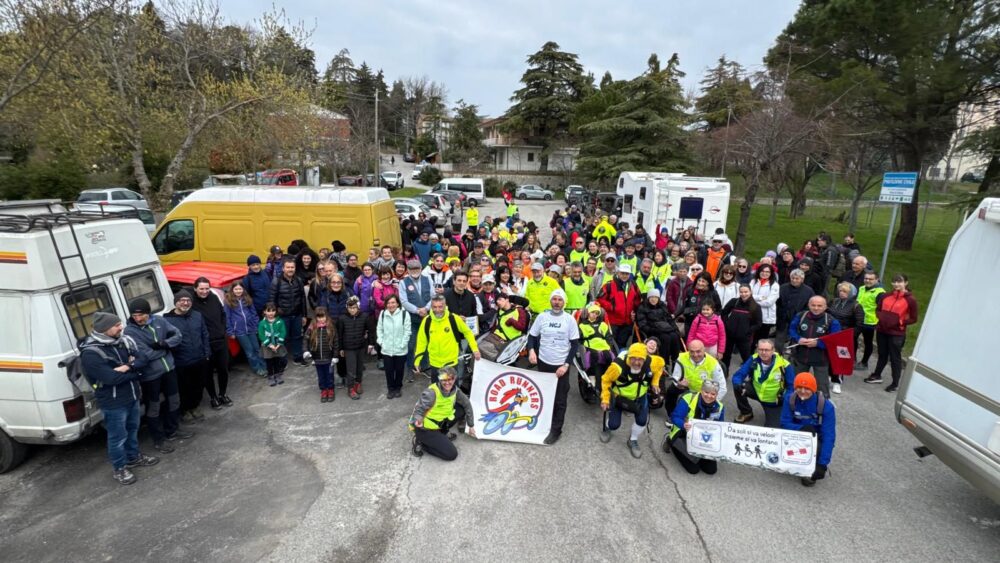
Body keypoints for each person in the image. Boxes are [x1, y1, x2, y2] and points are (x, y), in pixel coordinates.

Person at [79, 311, 158, 485]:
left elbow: (144, 358)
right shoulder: (91, 354)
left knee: (132, 430)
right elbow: (111, 378)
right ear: (104, 328)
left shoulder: (123, 341)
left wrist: (127, 367)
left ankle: (133, 457)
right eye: (116, 325)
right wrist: (136, 371)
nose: (121, 327)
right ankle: (119, 468)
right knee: (117, 437)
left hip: (132, 396)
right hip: (113, 403)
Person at [124, 298, 191, 455]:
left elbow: (177, 335)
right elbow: (145, 355)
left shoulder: (159, 321)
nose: (138, 318)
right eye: (134, 315)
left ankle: (172, 430)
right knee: (153, 407)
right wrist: (166, 349)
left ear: (148, 313)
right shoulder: (130, 332)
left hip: (169, 369)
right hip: (150, 376)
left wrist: (164, 344)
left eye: (141, 315)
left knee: (174, 400)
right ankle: (158, 439)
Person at [527, 289, 581, 445]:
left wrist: (566, 365)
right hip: (543, 362)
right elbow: (532, 336)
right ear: (550, 301)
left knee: (559, 400)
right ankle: (544, 423)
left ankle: (556, 430)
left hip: (561, 366)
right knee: (544, 395)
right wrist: (531, 351)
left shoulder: (569, 320)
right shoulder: (542, 317)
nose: (556, 302)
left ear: (564, 302)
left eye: (560, 300)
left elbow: (574, 345)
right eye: (554, 299)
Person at [599, 343, 665, 458]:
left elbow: (661, 366)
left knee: (642, 421)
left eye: (640, 359)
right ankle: (608, 428)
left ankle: (633, 440)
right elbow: (605, 380)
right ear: (628, 356)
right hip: (619, 397)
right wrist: (605, 399)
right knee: (614, 425)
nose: (636, 362)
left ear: (645, 358)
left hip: (640, 396)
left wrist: (655, 382)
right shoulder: (617, 367)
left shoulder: (652, 362)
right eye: (633, 358)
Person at [163, 290, 211, 424]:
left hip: (199, 359)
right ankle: (185, 410)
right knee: (184, 388)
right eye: (182, 300)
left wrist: (207, 353)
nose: (185, 303)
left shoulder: (197, 315)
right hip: (181, 362)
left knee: (199, 385)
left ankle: (195, 407)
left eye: (188, 300)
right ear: (176, 302)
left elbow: (204, 334)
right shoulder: (167, 320)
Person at [408, 367, 476, 461]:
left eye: (450, 379)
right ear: (439, 379)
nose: (447, 382)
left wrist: (471, 425)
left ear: (454, 379)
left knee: (461, 409)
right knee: (451, 455)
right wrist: (418, 420)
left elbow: (467, 404)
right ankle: (422, 443)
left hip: (440, 422)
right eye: (444, 379)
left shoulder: (455, 390)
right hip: (426, 428)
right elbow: (418, 410)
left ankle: (443, 432)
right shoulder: (431, 392)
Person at [865, 274, 919, 392]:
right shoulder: (886, 296)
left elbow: (914, 318)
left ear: (906, 283)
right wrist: (881, 318)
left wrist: (900, 322)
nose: (896, 284)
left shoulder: (910, 300)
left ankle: (895, 383)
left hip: (897, 334)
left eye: (899, 282)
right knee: (882, 354)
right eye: (894, 281)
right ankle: (877, 375)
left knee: (895, 358)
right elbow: (878, 309)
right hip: (882, 330)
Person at [781, 373, 836, 487]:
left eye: (807, 388)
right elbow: (784, 422)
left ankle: (809, 469)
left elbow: (829, 436)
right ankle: (790, 460)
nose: (802, 391)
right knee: (775, 436)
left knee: (819, 447)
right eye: (799, 387)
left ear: (814, 389)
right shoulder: (790, 399)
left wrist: (822, 464)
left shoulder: (826, 406)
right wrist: (801, 428)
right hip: (795, 433)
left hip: (815, 438)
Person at [414, 295, 481, 383]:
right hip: (434, 363)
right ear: (431, 307)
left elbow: (468, 333)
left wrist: (475, 349)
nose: (437, 310)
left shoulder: (454, 318)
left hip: (451, 364)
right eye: (434, 307)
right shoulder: (427, 321)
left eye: (440, 307)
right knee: (436, 388)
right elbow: (421, 342)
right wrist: (417, 360)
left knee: (451, 388)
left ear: (445, 306)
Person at [663, 381, 725, 475]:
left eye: (713, 394)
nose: (709, 396)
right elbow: (675, 417)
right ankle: (670, 441)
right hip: (683, 434)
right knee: (693, 469)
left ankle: (697, 455)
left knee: (711, 470)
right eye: (706, 392)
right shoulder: (688, 398)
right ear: (701, 390)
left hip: (704, 438)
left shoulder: (720, 407)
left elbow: (720, 426)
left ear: (717, 395)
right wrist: (683, 424)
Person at [731, 339, 796, 427]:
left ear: (773, 350)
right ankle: (746, 412)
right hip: (756, 391)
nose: (763, 353)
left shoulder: (785, 365)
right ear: (757, 349)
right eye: (761, 349)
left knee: (772, 429)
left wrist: (785, 400)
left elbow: (792, 387)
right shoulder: (753, 358)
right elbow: (738, 375)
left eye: (767, 350)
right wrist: (738, 384)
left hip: (774, 401)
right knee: (737, 386)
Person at [788, 296, 842, 396]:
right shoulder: (801, 316)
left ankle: (822, 404)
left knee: (822, 389)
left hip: (821, 359)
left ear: (825, 307)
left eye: (819, 306)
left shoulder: (832, 321)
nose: (816, 308)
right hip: (800, 357)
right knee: (796, 384)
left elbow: (836, 340)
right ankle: (794, 402)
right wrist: (798, 338)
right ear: (809, 305)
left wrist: (818, 343)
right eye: (813, 305)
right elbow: (792, 329)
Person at [191, 277, 231, 409]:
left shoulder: (214, 298)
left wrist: (223, 329)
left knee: (223, 369)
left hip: (220, 341)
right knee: (207, 373)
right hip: (205, 344)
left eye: (207, 288)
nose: (204, 291)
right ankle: (213, 397)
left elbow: (223, 314)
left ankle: (223, 394)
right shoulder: (192, 303)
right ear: (195, 288)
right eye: (201, 289)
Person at [663, 340, 727, 414]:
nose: (695, 355)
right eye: (692, 352)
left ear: (704, 350)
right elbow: (676, 375)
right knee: (671, 391)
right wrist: (679, 383)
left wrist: (711, 400)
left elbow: (722, 387)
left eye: (698, 351)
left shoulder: (713, 363)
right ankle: (672, 414)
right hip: (686, 387)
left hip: (703, 392)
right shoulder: (682, 357)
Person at [269, 258, 307, 366]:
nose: (290, 269)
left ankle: (298, 358)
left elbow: (302, 298)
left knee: (297, 337)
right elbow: (271, 300)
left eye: (292, 267)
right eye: (288, 267)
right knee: (282, 338)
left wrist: (304, 315)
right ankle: (282, 360)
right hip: (282, 317)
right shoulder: (276, 281)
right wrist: (274, 316)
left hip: (297, 315)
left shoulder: (298, 280)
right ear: (283, 268)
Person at [827, 282, 864, 394]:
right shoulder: (834, 301)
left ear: (851, 293)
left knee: (840, 360)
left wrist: (850, 336)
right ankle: (828, 376)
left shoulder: (856, 306)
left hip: (844, 337)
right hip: (830, 334)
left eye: (845, 291)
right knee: (828, 357)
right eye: (840, 291)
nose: (841, 293)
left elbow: (859, 324)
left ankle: (837, 381)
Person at [224, 281, 266, 377]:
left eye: (240, 289)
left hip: (251, 328)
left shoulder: (247, 299)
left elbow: (254, 313)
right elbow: (227, 317)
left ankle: (264, 365)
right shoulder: (228, 301)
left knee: (257, 348)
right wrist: (230, 331)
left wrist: (256, 325)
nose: (238, 291)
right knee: (249, 352)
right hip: (239, 331)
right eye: (236, 289)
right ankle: (257, 369)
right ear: (232, 290)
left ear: (243, 289)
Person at [596, 263, 642, 349]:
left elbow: (637, 300)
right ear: (618, 273)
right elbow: (599, 300)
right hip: (613, 322)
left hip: (627, 322)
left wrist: (634, 311)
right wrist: (612, 307)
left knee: (622, 344)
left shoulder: (633, 285)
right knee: (611, 344)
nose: (624, 276)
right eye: (622, 273)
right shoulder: (609, 285)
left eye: (627, 274)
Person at [337, 296, 373, 400]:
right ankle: (351, 388)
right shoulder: (342, 318)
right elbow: (340, 335)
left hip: (360, 346)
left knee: (359, 367)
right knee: (351, 369)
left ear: (358, 307)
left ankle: (358, 383)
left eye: (354, 308)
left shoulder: (364, 317)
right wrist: (341, 348)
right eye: (350, 308)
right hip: (348, 348)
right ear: (347, 308)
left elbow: (370, 331)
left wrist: (370, 343)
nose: (352, 310)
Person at [377, 295, 411, 399]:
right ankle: (391, 389)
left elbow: (407, 331)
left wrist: (403, 344)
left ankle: (398, 388)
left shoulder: (404, 314)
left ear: (397, 303)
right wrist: (381, 342)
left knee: (400, 370)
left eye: (393, 302)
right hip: (386, 349)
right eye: (388, 303)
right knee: (389, 370)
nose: (391, 305)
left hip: (400, 349)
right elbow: (379, 329)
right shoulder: (383, 314)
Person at [721, 284, 761, 373]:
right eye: (741, 292)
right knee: (726, 356)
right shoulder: (734, 302)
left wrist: (747, 331)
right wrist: (727, 325)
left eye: (746, 292)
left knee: (746, 358)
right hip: (730, 335)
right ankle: (724, 373)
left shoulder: (756, 306)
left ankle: (750, 375)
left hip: (744, 338)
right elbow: (724, 313)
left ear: (750, 292)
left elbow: (758, 323)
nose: (743, 294)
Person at [476, 293, 528, 362]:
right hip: (495, 336)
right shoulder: (499, 310)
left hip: (508, 340)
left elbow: (522, 327)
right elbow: (496, 325)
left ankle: (496, 362)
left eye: (500, 299)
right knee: (476, 347)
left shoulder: (519, 311)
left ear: (507, 300)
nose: (498, 302)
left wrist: (511, 321)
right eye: (497, 301)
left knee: (481, 348)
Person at [635, 288, 681, 364]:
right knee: (665, 338)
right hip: (652, 331)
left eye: (656, 297)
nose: (654, 299)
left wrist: (676, 329)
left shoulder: (662, 305)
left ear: (658, 298)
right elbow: (642, 325)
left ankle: (675, 360)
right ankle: (664, 361)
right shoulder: (642, 307)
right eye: (652, 297)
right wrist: (654, 330)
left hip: (664, 328)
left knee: (675, 336)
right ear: (648, 298)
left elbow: (669, 319)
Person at [776, 269, 814, 351]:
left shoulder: (808, 291)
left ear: (802, 279)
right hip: (783, 318)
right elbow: (777, 302)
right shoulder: (783, 287)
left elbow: (810, 305)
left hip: (799, 319)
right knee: (779, 340)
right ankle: (778, 355)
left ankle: (792, 355)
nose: (794, 280)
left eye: (797, 278)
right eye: (792, 278)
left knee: (795, 341)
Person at [306, 307, 339, 402]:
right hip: (317, 359)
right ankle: (324, 390)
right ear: (316, 317)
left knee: (330, 375)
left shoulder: (331, 327)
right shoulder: (311, 327)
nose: (321, 319)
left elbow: (336, 342)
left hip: (329, 358)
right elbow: (305, 339)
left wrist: (335, 356)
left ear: (326, 316)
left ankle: (331, 390)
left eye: (323, 317)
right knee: (321, 376)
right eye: (319, 317)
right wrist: (306, 351)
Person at [855, 271, 885, 371]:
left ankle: (864, 363)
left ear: (877, 280)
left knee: (867, 342)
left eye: (870, 279)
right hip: (857, 320)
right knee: (853, 339)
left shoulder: (880, 293)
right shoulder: (861, 288)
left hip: (869, 322)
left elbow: (881, 309)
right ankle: (853, 360)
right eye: (866, 278)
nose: (867, 280)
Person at [258, 303, 287, 386]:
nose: (271, 313)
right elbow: (261, 335)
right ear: (264, 312)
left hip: (278, 345)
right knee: (269, 362)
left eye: (273, 311)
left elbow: (283, 332)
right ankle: (270, 376)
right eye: (268, 311)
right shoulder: (262, 323)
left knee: (277, 360)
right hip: (267, 346)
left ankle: (277, 375)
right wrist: (270, 345)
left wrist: (278, 344)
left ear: (276, 311)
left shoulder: (280, 321)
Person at [750, 264, 779, 347]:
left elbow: (769, 302)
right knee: (751, 341)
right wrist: (761, 297)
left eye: (767, 272)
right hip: (753, 316)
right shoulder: (753, 282)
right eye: (762, 271)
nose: (764, 273)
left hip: (766, 318)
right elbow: (748, 296)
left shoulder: (774, 285)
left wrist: (753, 301)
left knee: (762, 341)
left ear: (771, 273)